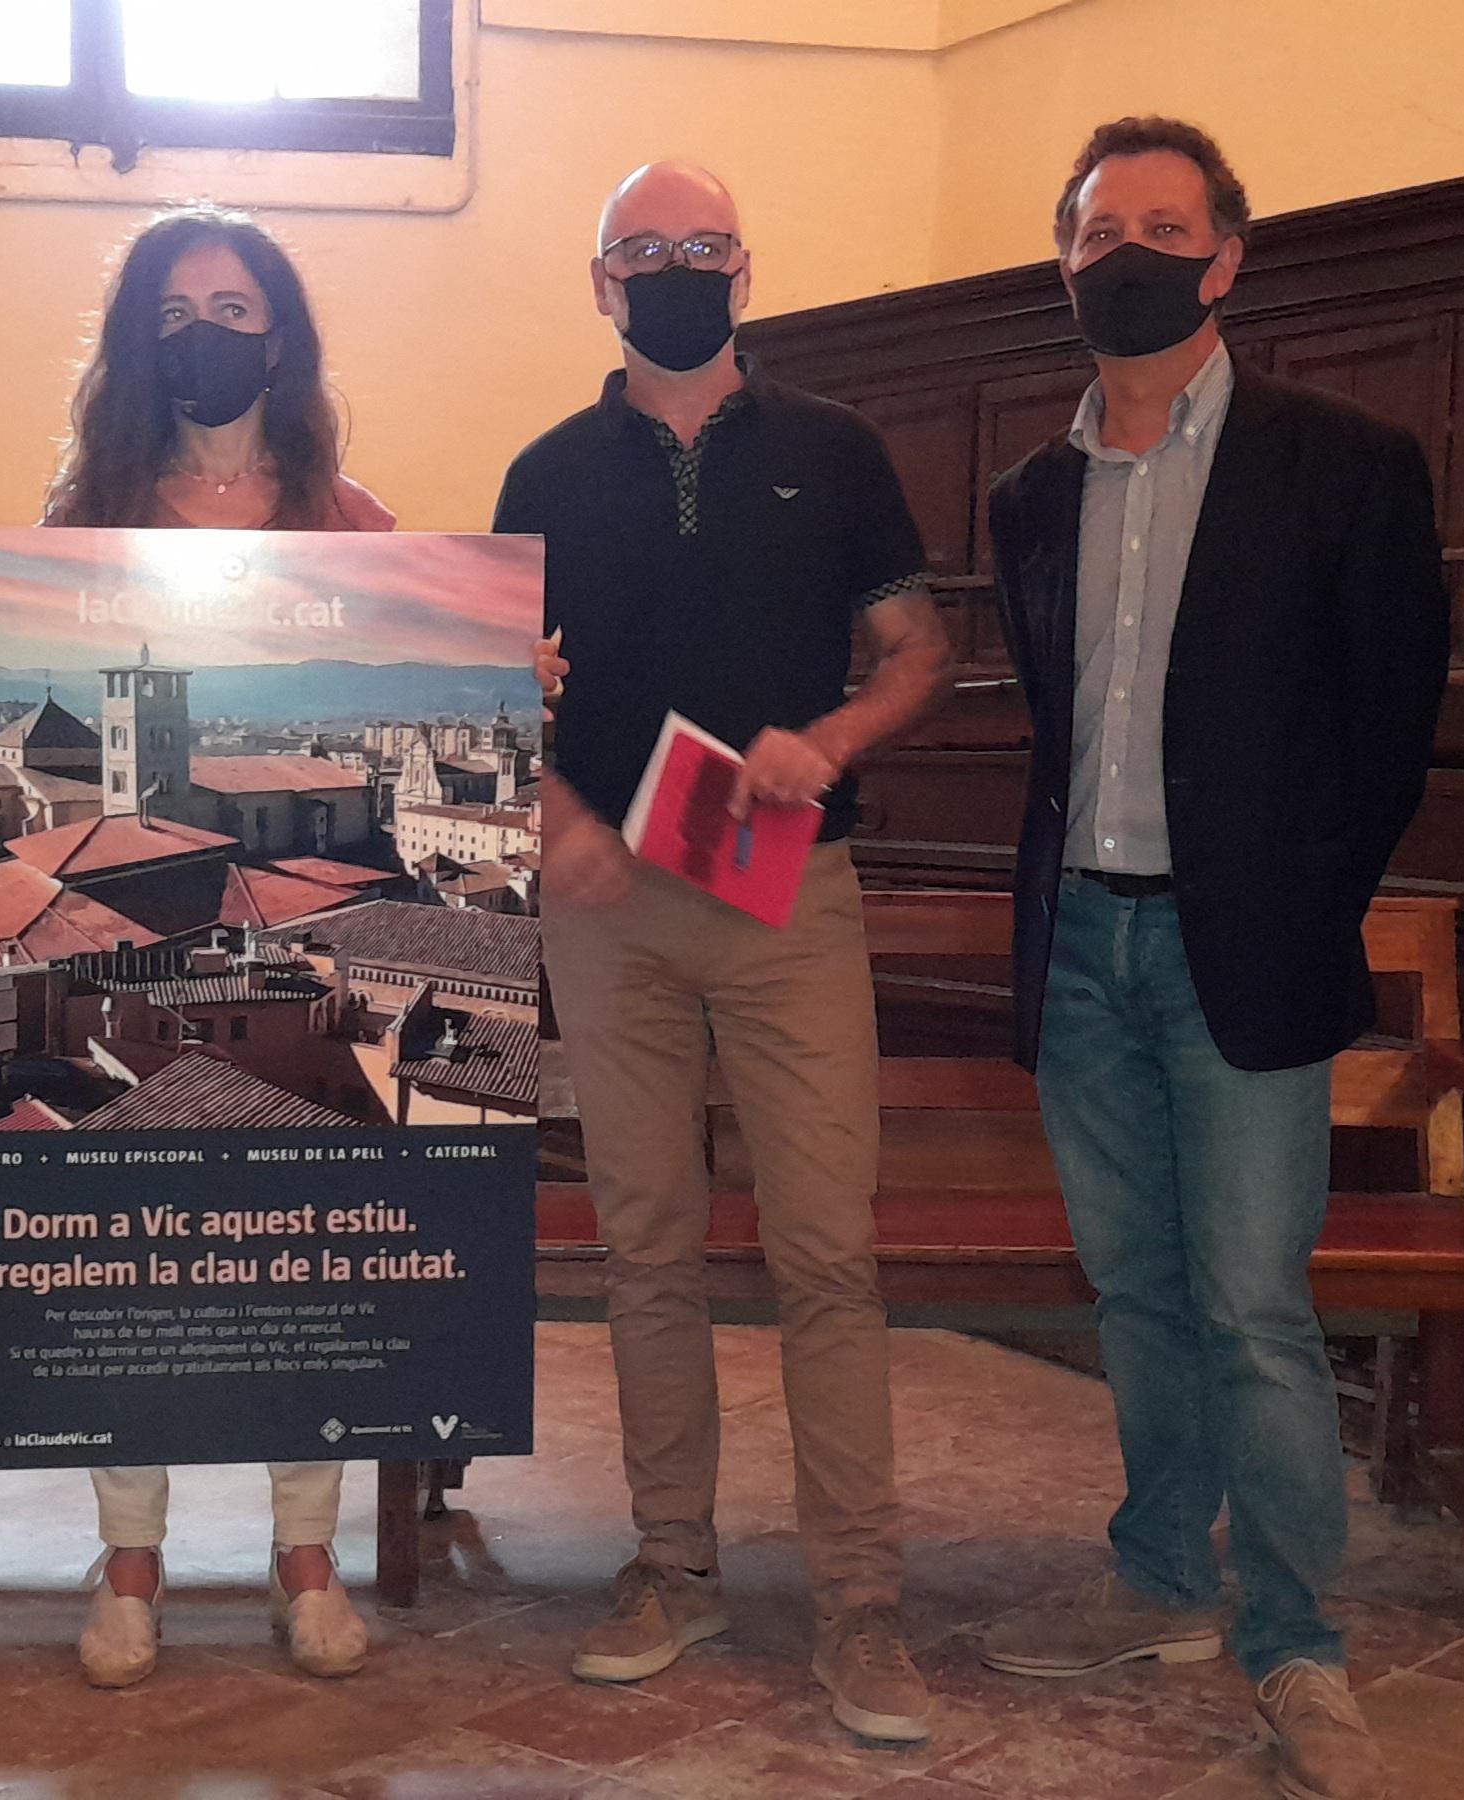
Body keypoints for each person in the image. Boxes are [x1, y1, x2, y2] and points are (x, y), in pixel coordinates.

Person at [972, 118, 1450, 1800]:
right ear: (1064, 261)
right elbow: (1053, 732)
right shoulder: (1030, 494)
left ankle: (1297, 1643)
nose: (1131, 255)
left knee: (1251, 1307)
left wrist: (1298, 906)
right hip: (1080, 945)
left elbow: (1390, 726)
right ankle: (1161, 1574)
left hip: (1236, 949)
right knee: (1136, 1291)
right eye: (1100, 231)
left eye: (1165, 229)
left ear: (1226, 259)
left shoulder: (1342, 462)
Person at [502, 162, 955, 1745]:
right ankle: (671, 1565)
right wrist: (557, 810)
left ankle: (862, 1606)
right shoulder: (542, 472)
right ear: (600, 282)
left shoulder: (834, 451)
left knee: (827, 1250)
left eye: (700, 247)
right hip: (607, 907)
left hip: (786, 891)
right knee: (647, 1248)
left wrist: (827, 739)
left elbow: (916, 654)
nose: (673, 269)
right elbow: (490, 687)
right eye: (643, 250)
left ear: (744, 273)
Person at [43, 206, 390, 1688]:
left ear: (280, 335)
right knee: (134, 1251)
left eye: (235, 308)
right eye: (177, 311)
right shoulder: (82, 522)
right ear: (141, 339)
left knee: (304, 1246)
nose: (208, 333)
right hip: (139, 923)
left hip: (281, 934)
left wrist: (526, 668)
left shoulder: (352, 526)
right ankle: (130, 1559)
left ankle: (305, 1552)